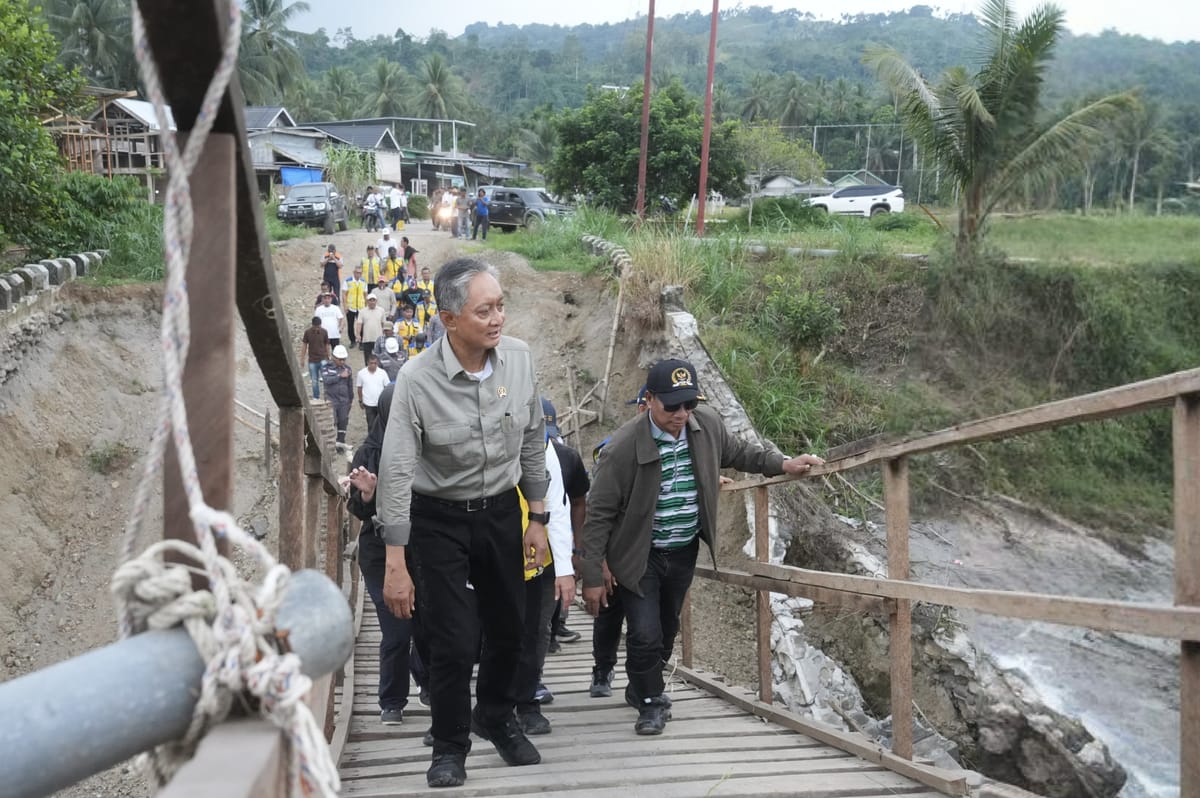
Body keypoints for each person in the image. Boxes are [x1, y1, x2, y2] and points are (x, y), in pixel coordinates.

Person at [580, 359, 824, 736]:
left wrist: (784, 464)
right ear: (648, 400)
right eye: (672, 406)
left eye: (688, 404)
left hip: (682, 550)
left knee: (665, 628)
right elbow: (598, 515)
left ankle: (641, 685)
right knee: (644, 633)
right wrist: (593, 573)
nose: (681, 414)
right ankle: (651, 703)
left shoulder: (705, 425)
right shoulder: (623, 448)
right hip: (639, 555)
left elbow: (742, 453)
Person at [377, 258, 549, 788]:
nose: (498, 319)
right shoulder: (416, 379)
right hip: (437, 519)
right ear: (449, 319)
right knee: (452, 639)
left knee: (510, 629)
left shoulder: (519, 360)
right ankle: (450, 745)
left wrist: (537, 518)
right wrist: (395, 562)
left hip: (500, 511)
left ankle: (495, 716)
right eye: (484, 310)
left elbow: (532, 441)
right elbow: (397, 470)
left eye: (500, 306)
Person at [347, 385, 418, 725]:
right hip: (379, 556)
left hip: (421, 549)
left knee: (428, 624)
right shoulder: (367, 454)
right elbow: (357, 511)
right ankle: (392, 701)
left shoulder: (424, 447)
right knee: (397, 630)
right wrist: (368, 496)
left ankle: (430, 683)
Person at [512, 410, 576, 736]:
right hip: (491, 554)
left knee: (536, 630)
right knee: (489, 631)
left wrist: (565, 569)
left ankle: (526, 703)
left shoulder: (544, 447)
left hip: (538, 556)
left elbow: (558, 504)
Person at [321, 344, 354, 449]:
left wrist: (350, 399)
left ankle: (340, 443)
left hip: (344, 401)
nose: (342, 362)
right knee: (332, 421)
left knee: (343, 421)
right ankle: (329, 444)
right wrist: (339, 376)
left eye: (344, 359)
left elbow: (350, 384)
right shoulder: (326, 367)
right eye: (340, 360)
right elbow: (326, 380)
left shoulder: (347, 369)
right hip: (331, 400)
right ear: (334, 358)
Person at [357, 354, 391, 432]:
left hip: (380, 403)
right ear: (367, 363)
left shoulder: (382, 373)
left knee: (382, 423)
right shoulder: (361, 373)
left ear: (377, 363)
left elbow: (387, 387)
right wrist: (360, 400)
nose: (373, 365)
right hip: (368, 403)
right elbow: (359, 388)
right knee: (371, 424)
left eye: (375, 363)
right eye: (371, 363)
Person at [299, 315, 329, 401]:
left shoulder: (324, 332)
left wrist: (328, 356)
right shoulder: (307, 332)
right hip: (312, 360)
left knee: (326, 379)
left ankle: (327, 396)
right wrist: (302, 359)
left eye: (319, 326)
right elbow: (304, 345)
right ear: (313, 325)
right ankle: (316, 397)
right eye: (316, 327)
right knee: (314, 380)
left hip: (323, 359)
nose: (318, 329)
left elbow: (327, 344)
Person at [355, 293, 389, 366]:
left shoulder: (381, 310)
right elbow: (359, 324)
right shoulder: (362, 311)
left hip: (378, 338)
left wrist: (385, 335)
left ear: (376, 301)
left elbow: (383, 323)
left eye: (374, 300)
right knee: (367, 357)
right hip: (367, 338)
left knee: (379, 357)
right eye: (370, 300)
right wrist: (358, 335)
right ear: (367, 301)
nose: (372, 302)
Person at [342, 266, 368, 347]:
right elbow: (344, 294)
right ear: (354, 272)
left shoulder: (363, 282)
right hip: (351, 307)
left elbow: (365, 295)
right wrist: (345, 306)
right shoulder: (347, 281)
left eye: (360, 273)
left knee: (362, 325)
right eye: (357, 272)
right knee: (350, 325)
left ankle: (361, 342)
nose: (358, 274)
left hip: (361, 307)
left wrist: (366, 307)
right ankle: (352, 341)